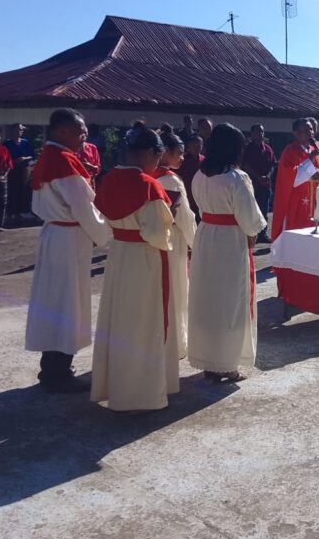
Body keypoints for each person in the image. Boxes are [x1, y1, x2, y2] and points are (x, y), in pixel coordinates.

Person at [91, 122, 179, 411]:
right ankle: (141, 393)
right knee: (143, 323)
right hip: (144, 259)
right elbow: (156, 233)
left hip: (119, 254)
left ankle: (116, 385)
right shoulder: (148, 185)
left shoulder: (109, 179)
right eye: (158, 156)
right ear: (150, 153)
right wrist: (171, 221)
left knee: (119, 320)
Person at [25, 109, 111, 392]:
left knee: (55, 300)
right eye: (80, 131)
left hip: (56, 234)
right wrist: (108, 235)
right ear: (62, 131)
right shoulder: (64, 161)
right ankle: (59, 372)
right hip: (69, 238)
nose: (84, 136)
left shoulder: (49, 156)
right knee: (67, 301)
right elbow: (83, 207)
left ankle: (52, 367)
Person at [188, 123, 267, 383]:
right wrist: (252, 234)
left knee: (208, 299)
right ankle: (227, 364)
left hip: (206, 236)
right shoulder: (237, 178)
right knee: (231, 301)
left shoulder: (200, 175)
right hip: (229, 241)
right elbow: (249, 218)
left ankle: (209, 361)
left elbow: (200, 208)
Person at [155, 124, 197, 358]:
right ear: (164, 152)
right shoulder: (171, 181)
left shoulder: (147, 175)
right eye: (178, 153)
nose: (182, 158)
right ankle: (175, 342)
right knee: (176, 289)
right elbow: (185, 216)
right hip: (172, 240)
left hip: (152, 239)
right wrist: (195, 242)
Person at [270, 118, 319, 240]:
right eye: (305, 130)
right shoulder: (290, 151)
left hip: (316, 202)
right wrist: (310, 161)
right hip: (298, 203)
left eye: (311, 129)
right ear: (296, 133)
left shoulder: (315, 150)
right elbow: (289, 177)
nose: (310, 132)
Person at [241, 124, 276, 239]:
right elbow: (245, 165)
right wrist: (258, 177)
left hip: (265, 185)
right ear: (252, 134)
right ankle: (250, 234)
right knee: (251, 210)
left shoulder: (268, 149)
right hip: (252, 185)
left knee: (263, 210)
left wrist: (268, 176)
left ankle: (262, 234)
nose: (260, 134)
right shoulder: (247, 149)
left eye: (262, 131)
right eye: (257, 132)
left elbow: (272, 165)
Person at [3, 123, 35, 223]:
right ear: (12, 131)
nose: (19, 132)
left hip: (24, 170)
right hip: (12, 170)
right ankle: (10, 212)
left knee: (24, 190)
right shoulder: (7, 144)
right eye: (17, 130)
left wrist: (24, 158)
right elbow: (4, 157)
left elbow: (32, 155)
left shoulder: (25, 143)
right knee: (12, 191)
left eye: (21, 130)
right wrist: (14, 160)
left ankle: (21, 212)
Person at [178, 135, 204, 221]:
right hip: (187, 194)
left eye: (199, 146)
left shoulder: (204, 160)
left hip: (200, 196)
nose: (196, 149)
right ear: (189, 146)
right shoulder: (182, 160)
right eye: (194, 146)